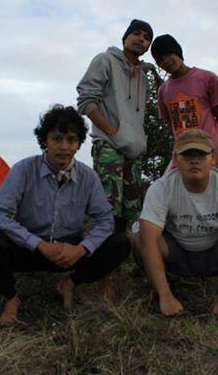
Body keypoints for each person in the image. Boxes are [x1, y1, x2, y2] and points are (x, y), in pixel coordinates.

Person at [0, 105, 131, 324]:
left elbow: (104, 220)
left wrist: (81, 249)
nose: (64, 147)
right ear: (45, 141)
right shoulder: (23, 169)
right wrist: (39, 244)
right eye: (57, 139)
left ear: (78, 144)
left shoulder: (88, 177)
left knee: (120, 243)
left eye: (71, 140)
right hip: (29, 247)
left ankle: (70, 283)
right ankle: (11, 297)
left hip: (69, 251)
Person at [135, 129, 218, 318]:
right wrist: (165, 296)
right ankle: (163, 290)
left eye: (201, 155)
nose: (194, 161)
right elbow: (148, 239)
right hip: (177, 254)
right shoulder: (161, 187)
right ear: (176, 159)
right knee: (140, 239)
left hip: (216, 253)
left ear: (213, 158)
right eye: (187, 155)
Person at [76, 19, 153, 289]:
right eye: (136, 33)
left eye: (146, 37)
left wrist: (133, 141)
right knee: (106, 212)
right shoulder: (105, 60)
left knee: (126, 215)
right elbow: (86, 99)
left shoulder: (142, 75)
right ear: (125, 37)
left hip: (134, 152)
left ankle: (112, 267)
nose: (141, 39)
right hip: (109, 147)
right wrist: (114, 133)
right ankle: (97, 275)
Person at [150, 34, 218, 170]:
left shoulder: (207, 78)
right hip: (182, 159)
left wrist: (212, 144)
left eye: (169, 54)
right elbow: (172, 126)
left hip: (210, 157)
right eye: (161, 60)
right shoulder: (163, 91)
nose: (166, 61)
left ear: (178, 52)